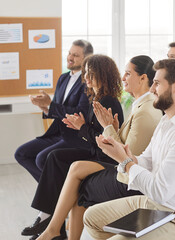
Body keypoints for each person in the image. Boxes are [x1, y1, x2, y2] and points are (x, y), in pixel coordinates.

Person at [83, 59, 175, 240]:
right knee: (91, 217)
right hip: (155, 205)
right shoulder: (167, 120)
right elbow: (148, 159)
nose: (151, 89)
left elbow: (160, 190)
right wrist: (124, 155)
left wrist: (125, 161)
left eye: (157, 83)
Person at [34, 55, 163, 240]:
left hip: (122, 169)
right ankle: (51, 224)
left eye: (128, 73)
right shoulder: (136, 105)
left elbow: (127, 157)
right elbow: (123, 145)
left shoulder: (135, 107)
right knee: (63, 162)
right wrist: (109, 129)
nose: (123, 77)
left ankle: (51, 226)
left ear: (143, 78)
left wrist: (104, 128)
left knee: (73, 170)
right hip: (115, 160)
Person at [21, 54, 124, 240]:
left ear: (103, 75)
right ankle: (47, 216)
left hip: (104, 157)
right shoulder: (97, 97)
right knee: (54, 157)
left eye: (91, 74)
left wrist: (82, 127)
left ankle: (49, 220)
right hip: (96, 152)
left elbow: (104, 140)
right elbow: (95, 134)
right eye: (86, 74)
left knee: (55, 158)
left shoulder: (107, 101)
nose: (87, 79)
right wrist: (81, 127)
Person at [14, 40, 93, 182]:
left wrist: (50, 105)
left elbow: (80, 112)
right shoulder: (63, 78)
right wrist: (46, 108)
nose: (70, 57)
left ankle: (57, 193)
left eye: (75, 55)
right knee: (21, 154)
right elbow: (56, 107)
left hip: (75, 136)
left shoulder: (88, 81)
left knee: (41, 159)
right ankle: (54, 192)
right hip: (57, 132)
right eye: (69, 53)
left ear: (86, 58)